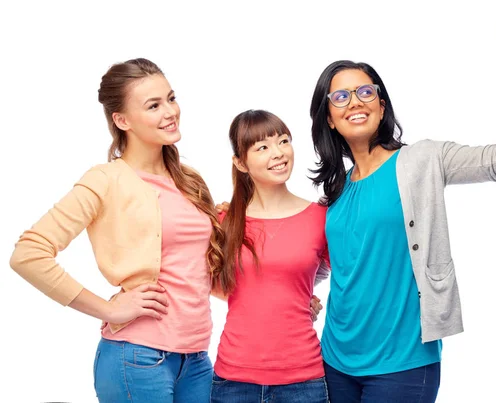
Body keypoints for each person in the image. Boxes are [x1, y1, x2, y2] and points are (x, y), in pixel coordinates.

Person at [308, 19, 496, 402]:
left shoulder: (422, 161)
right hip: (335, 361)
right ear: (328, 117)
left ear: (382, 103)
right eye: (340, 97)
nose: (354, 102)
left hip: (403, 365)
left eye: (365, 92)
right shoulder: (335, 191)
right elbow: (324, 264)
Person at [9, 58, 224, 403]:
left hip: (196, 359)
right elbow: (28, 254)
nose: (170, 111)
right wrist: (109, 310)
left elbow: (198, 273)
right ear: (122, 120)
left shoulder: (189, 180)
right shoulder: (106, 180)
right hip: (137, 358)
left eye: (170, 98)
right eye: (153, 105)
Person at [210, 110, 330, 403]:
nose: (278, 153)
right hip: (233, 381)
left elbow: (324, 273)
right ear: (240, 162)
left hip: (304, 380)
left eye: (283, 141)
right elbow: (210, 281)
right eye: (262, 147)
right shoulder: (223, 219)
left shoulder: (321, 218)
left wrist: (300, 297)